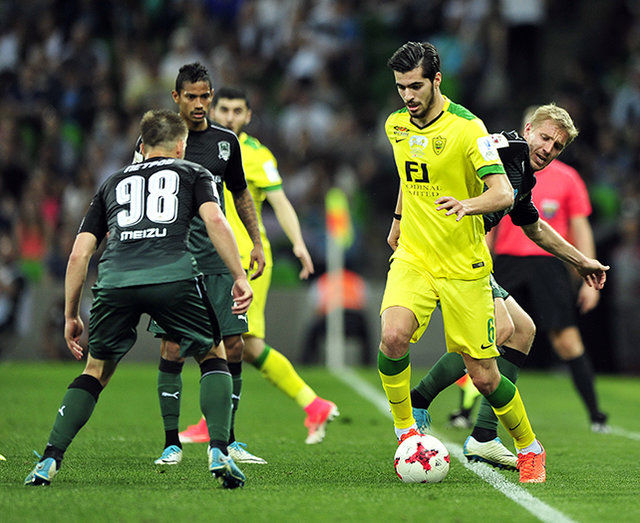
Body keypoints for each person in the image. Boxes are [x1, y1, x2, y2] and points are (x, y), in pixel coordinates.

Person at [24, 110, 252, 488]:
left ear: (141, 147)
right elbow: (215, 221)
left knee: (95, 372)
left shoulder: (110, 182)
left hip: (115, 281)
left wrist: (70, 314)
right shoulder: (193, 173)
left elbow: (80, 253)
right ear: (181, 146)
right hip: (172, 276)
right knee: (212, 355)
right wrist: (239, 277)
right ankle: (218, 450)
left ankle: (50, 459)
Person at [379, 41, 546, 484]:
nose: (408, 96)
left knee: (484, 376)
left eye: (416, 86)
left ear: (436, 80)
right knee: (393, 336)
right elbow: (408, 173)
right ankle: (406, 432)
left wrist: (466, 205)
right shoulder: (395, 125)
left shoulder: (469, 129)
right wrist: (398, 220)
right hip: (414, 255)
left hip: (463, 264)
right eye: (400, 87)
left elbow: (504, 194)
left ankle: (530, 447)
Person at [410, 104, 609, 470]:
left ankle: (484, 436)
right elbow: (454, 158)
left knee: (523, 331)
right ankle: (419, 400)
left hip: (467, 255)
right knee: (500, 330)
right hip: (446, 251)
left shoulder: (522, 175)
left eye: (558, 146)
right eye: (546, 138)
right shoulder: (502, 148)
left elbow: (535, 228)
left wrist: (582, 262)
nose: (548, 149)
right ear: (528, 128)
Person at [172, 87, 339, 452]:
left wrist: (297, 243)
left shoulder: (255, 154)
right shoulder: (197, 144)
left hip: (245, 260)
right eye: (225, 109)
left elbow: (279, 201)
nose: (230, 116)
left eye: (238, 111)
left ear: (248, 116)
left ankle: (215, 423)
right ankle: (312, 404)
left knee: (234, 342)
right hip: (207, 256)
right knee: (241, 345)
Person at [137, 64, 266, 467]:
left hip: (216, 261)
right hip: (173, 260)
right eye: (190, 96)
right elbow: (134, 190)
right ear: (175, 98)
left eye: (204, 96)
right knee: (173, 347)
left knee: (234, 345)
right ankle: (170, 442)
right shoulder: (158, 140)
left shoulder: (226, 142)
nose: (198, 104)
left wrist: (257, 242)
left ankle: (227, 440)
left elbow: (241, 194)